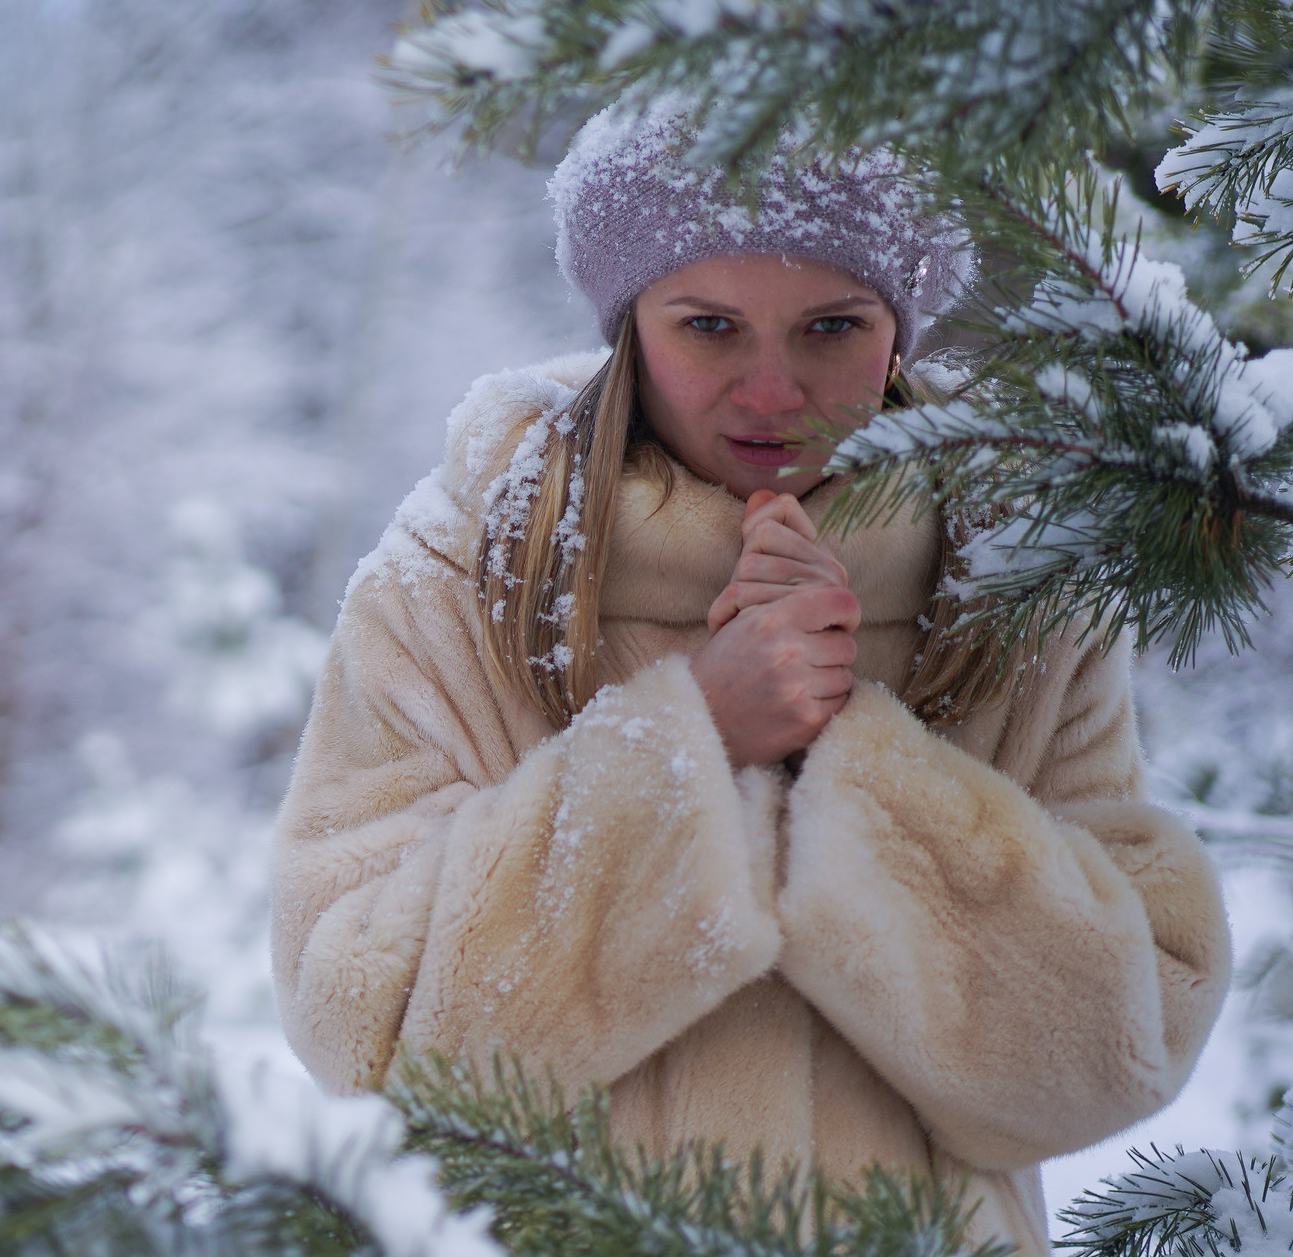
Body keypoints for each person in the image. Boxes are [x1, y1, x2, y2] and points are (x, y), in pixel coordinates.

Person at [270, 106, 1229, 1257]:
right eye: (709, 326)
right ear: (630, 323)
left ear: (900, 333)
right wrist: (690, 746)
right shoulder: (455, 581)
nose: (770, 390)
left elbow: (1122, 1047)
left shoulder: (1015, 592)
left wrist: (850, 764)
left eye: (832, 326)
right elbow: (360, 1031)